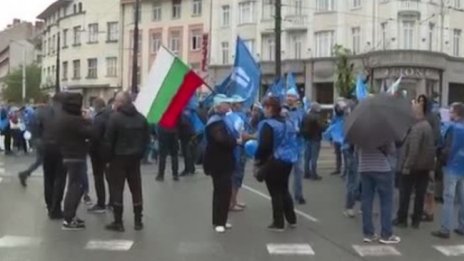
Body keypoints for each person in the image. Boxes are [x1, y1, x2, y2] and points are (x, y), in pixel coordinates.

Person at [104, 91, 149, 232]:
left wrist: (107, 159)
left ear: (121, 103)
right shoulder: (141, 118)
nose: (115, 103)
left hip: (118, 157)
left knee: (117, 188)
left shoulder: (115, 118)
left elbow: (108, 141)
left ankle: (118, 221)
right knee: (136, 188)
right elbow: (146, 139)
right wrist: (140, 154)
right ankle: (138, 221)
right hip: (135, 158)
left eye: (117, 101)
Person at [255, 97, 297, 232]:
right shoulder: (288, 123)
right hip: (288, 159)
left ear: (270, 108)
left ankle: (278, 222)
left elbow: (264, 146)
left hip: (273, 160)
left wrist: (258, 160)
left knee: (275, 192)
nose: (264, 110)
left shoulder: (268, 125)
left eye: (265, 107)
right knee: (284, 189)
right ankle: (291, 219)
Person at [56, 92, 95, 230]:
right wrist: (89, 120)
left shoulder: (63, 117)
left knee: (76, 185)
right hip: (76, 155)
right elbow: (90, 132)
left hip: (67, 154)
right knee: (76, 187)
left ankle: (71, 216)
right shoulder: (75, 120)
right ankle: (69, 218)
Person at [393, 101, 435, 229]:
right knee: (420, 194)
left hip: (413, 167)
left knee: (405, 193)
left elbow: (413, 149)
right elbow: (430, 148)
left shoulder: (417, 128)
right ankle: (416, 220)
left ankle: (402, 219)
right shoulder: (427, 126)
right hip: (424, 166)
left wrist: (407, 166)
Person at [203, 94, 237, 233]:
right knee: (221, 191)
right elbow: (222, 140)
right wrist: (235, 141)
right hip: (218, 162)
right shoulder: (215, 122)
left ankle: (221, 219)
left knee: (224, 191)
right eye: (226, 103)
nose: (229, 105)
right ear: (219, 106)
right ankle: (218, 221)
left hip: (224, 161)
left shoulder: (222, 120)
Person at [432, 102, 464, 239]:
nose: (449, 114)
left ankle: (445, 228)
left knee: (448, 198)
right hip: (462, 166)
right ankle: (462, 226)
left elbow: (444, 146)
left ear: (456, 113)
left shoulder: (452, 128)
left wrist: (440, 160)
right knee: (462, 198)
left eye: (451, 111)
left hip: (451, 166)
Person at [358, 143, 400, 244]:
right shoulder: (384, 130)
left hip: (365, 167)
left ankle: (368, 233)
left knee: (367, 200)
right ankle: (386, 234)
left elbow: (356, 149)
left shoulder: (360, 131)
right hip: (382, 167)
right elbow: (392, 150)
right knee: (386, 201)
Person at [38, 94, 67, 220]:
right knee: (59, 179)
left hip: (46, 148)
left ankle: (49, 205)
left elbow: (38, 128)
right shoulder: (66, 113)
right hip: (61, 149)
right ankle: (56, 208)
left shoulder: (43, 112)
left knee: (48, 178)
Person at [88, 98, 111, 213]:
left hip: (98, 153)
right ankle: (112, 202)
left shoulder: (98, 119)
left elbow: (94, 136)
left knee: (98, 178)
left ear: (96, 106)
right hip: (110, 152)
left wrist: (89, 149)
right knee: (110, 178)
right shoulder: (112, 116)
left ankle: (101, 203)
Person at [284, 88, 306, 205]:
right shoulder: (281, 111)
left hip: (298, 146)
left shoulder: (301, 111)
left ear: (296, 98)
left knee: (299, 171)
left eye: (291, 96)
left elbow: (306, 127)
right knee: (284, 173)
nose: (289, 98)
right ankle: (285, 195)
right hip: (285, 147)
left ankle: (299, 195)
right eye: (288, 96)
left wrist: (300, 130)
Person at [18, 99, 46, 187]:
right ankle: (25, 173)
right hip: (42, 140)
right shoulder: (40, 114)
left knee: (40, 160)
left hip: (37, 139)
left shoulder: (34, 113)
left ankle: (25, 174)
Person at [302, 102, 324, 180]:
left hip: (307, 138)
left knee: (307, 157)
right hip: (316, 138)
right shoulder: (317, 117)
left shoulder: (305, 116)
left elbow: (302, 126)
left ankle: (306, 173)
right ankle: (314, 174)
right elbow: (321, 127)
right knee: (314, 157)